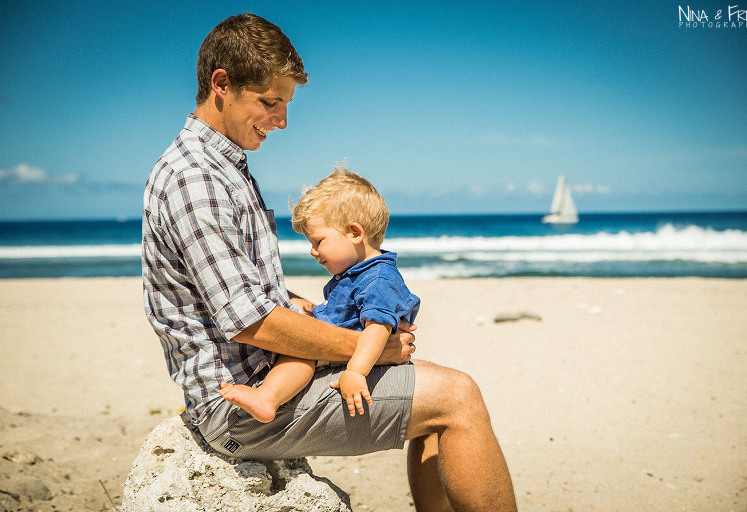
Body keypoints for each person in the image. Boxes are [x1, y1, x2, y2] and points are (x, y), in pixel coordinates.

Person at [142, 13, 517, 511]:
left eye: (286, 104)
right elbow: (251, 322)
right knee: (458, 397)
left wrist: (296, 303)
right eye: (269, 102)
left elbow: (241, 294)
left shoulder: (222, 168)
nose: (282, 120)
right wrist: (370, 349)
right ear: (222, 84)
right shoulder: (197, 179)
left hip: (266, 377)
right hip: (242, 405)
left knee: (436, 398)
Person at [219, 166, 421, 421]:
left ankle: (267, 398)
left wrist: (356, 372)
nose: (312, 251)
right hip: (345, 354)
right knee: (300, 348)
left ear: (355, 233)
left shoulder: (379, 279)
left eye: (318, 241)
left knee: (300, 355)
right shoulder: (358, 273)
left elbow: (377, 330)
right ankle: (267, 397)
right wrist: (311, 309)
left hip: (358, 365)